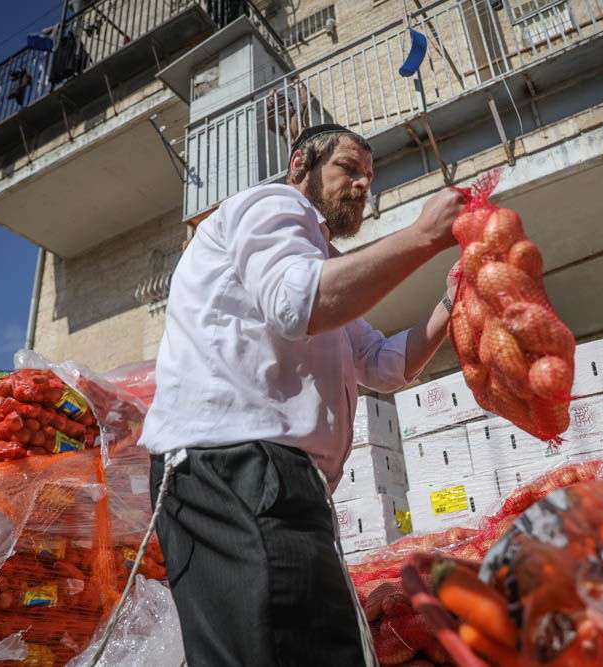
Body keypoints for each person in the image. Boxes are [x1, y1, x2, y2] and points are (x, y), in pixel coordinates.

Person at [139, 123, 465, 666]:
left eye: (369, 176)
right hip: (234, 467)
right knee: (278, 649)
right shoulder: (270, 206)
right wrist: (424, 236)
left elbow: (382, 364)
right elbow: (298, 306)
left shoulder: (319, 260)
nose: (362, 185)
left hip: (279, 481)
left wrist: (450, 305)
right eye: (347, 169)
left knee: (313, 649)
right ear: (299, 167)